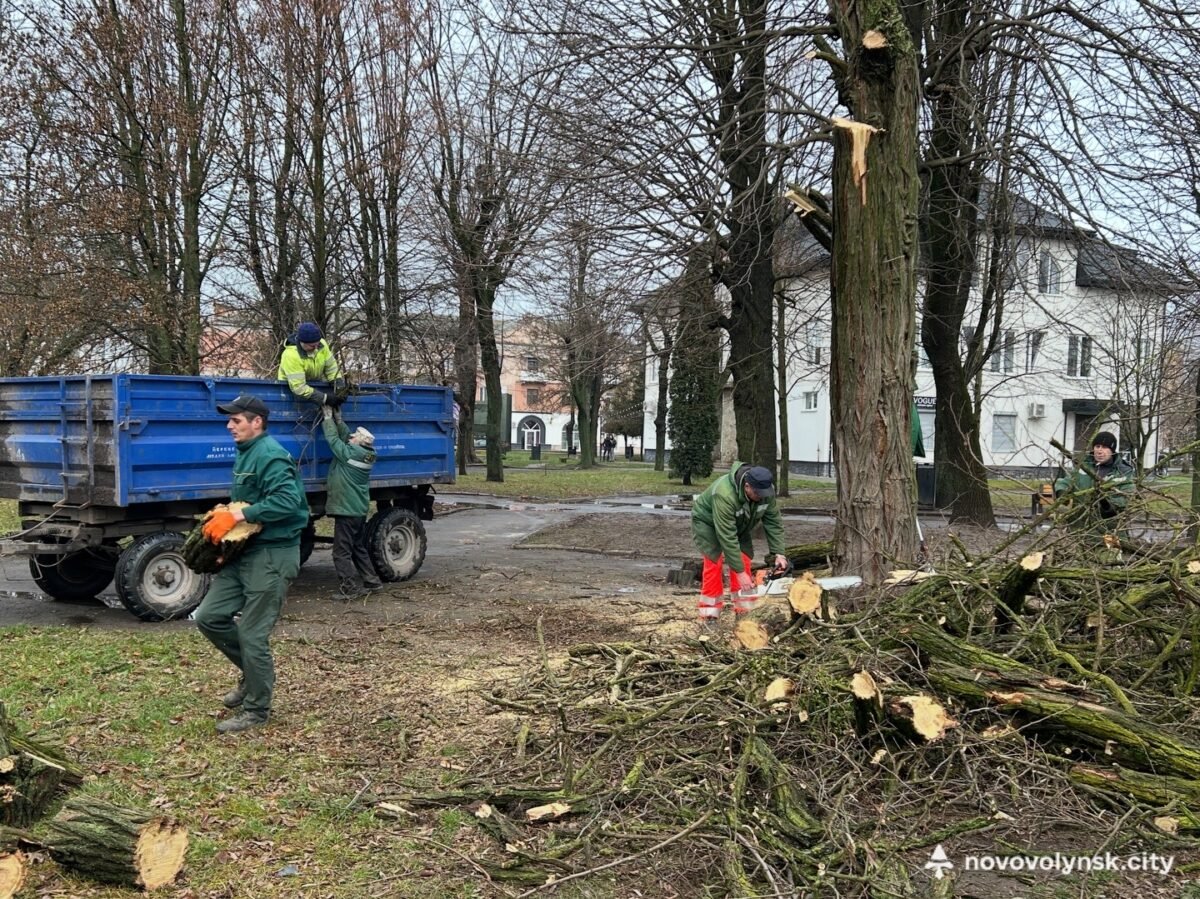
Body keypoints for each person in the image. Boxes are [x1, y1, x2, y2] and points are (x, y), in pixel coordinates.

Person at [193, 394, 310, 734]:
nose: (229, 426)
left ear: (256, 421)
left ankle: (256, 710)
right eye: (229, 421)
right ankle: (252, 675)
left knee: (252, 634)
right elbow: (249, 501)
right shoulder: (247, 451)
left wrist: (239, 514)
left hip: (274, 554)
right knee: (209, 617)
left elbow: (288, 502)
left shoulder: (271, 455)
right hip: (247, 553)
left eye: (236, 420)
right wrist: (228, 532)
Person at [690, 462, 789, 622]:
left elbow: (773, 522)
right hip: (708, 523)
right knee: (714, 563)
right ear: (747, 486)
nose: (761, 497)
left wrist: (779, 553)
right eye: (758, 494)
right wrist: (740, 572)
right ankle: (709, 615)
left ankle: (744, 611)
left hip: (739, 522)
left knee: (744, 559)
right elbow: (727, 537)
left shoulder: (764, 492)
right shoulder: (724, 494)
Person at [321, 406, 384, 600]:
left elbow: (333, 440)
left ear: (359, 442)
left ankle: (349, 589)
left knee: (341, 553)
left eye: (355, 436)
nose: (351, 437)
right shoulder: (364, 453)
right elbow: (346, 437)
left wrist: (328, 419)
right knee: (358, 547)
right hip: (357, 510)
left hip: (347, 510)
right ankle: (372, 581)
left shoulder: (349, 454)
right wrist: (340, 422)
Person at [1053, 431, 1135, 529]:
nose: (1100, 451)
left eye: (1104, 447)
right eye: (1097, 446)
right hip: (1079, 528)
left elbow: (1126, 498)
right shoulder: (1083, 466)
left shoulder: (1123, 471)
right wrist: (1061, 492)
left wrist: (1107, 504)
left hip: (1109, 529)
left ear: (1112, 450)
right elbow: (1066, 481)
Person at [277, 321, 345, 407]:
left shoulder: (322, 344)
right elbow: (299, 388)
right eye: (312, 346)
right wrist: (325, 398)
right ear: (302, 342)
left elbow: (331, 367)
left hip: (313, 387)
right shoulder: (291, 355)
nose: (316, 348)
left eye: (317, 344)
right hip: (287, 393)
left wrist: (338, 383)